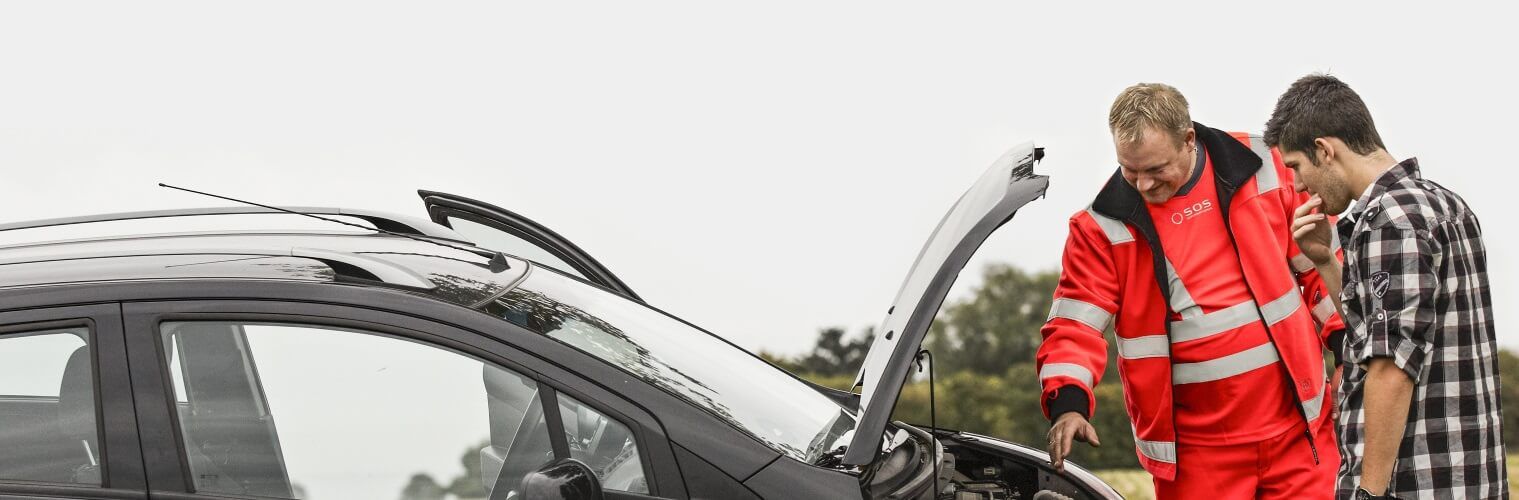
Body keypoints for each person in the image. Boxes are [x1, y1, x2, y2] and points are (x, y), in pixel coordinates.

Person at [1036, 83, 1344, 499]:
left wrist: (1346, 348)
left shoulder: (1265, 164)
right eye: (1130, 170)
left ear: (1188, 139)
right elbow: (1075, 326)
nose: (1143, 185)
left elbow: (1319, 269)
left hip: (1300, 432)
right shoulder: (1100, 228)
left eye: (1156, 169)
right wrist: (1069, 403)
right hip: (1196, 458)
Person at [1268, 74, 1508, 500]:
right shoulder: (1446, 204)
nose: (1299, 186)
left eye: (1296, 167)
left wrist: (1370, 492)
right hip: (1472, 477)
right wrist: (1324, 260)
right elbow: (1378, 329)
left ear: (1324, 150)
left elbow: (1391, 365)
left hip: (1416, 482)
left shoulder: (1387, 221)